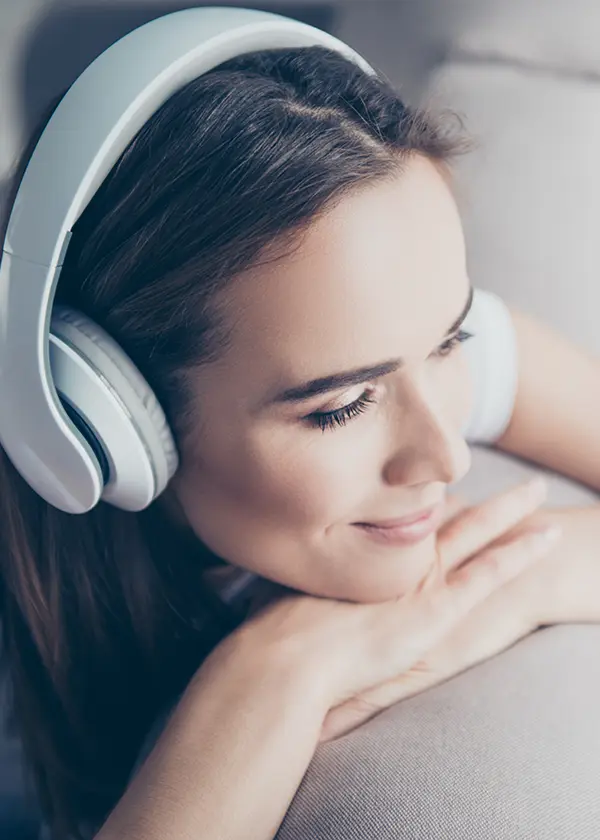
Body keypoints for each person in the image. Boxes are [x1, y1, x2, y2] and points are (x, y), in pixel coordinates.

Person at [1, 9, 600, 840]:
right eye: (340, 408)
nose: (447, 454)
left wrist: (515, 581)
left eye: (450, 340)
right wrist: (273, 673)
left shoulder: (400, 343)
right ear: (101, 421)